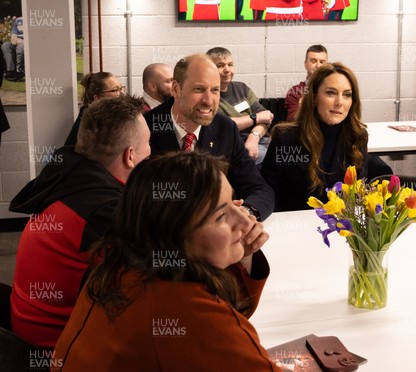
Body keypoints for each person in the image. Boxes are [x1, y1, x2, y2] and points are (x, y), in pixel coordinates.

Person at [52, 152, 276, 370]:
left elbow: (229, 315)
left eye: (233, 203)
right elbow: (216, 324)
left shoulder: (122, 265)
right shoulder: (184, 312)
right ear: (174, 234)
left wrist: (244, 253)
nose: (245, 219)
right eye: (220, 216)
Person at [9, 96, 151, 350]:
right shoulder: (104, 211)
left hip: (27, 339)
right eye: (148, 144)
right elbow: (154, 285)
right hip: (61, 351)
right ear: (130, 155)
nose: (151, 152)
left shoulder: (65, 182)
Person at [144, 54, 274, 221]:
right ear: (175, 89)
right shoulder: (146, 128)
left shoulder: (225, 129)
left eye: (215, 90)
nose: (208, 100)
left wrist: (246, 213)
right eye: (199, 89)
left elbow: (260, 189)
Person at [260, 62, 368, 212]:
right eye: (331, 93)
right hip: (295, 227)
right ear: (315, 97)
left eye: (347, 95)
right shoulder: (286, 138)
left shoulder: (357, 136)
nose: (339, 102)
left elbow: (358, 194)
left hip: (342, 227)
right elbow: (267, 190)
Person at [206, 47, 273, 166]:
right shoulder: (208, 96)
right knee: (269, 160)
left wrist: (254, 136)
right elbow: (225, 125)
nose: (227, 70)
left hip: (259, 138)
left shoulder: (242, 88)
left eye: (230, 64)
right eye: (220, 65)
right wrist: (254, 118)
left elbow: (266, 117)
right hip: (234, 144)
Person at [64, 72, 126, 147]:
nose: (122, 93)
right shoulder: (91, 123)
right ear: (97, 98)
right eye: (115, 90)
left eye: (121, 88)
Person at [285, 44, 328, 121]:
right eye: (313, 61)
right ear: (305, 64)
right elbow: (292, 121)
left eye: (322, 62)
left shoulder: (333, 90)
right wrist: (302, 109)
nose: (318, 66)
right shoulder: (295, 92)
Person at [2, 17, 24, 82]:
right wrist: (19, 40)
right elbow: (13, 39)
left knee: (21, 47)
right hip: (17, 42)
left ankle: (19, 72)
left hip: (26, 45)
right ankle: (10, 71)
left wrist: (23, 41)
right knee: (6, 45)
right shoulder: (18, 20)